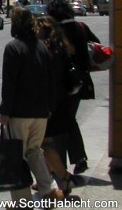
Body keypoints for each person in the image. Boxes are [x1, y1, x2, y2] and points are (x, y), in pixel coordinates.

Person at [0, 7, 64, 210]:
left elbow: (10, 84)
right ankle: (48, 189)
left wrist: (5, 111)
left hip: (19, 112)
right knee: (35, 151)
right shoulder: (42, 48)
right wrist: (49, 107)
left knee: (16, 155)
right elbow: (50, 80)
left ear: (15, 24)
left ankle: (22, 201)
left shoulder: (13, 48)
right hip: (41, 112)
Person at [35, 15, 85, 195]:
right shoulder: (62, 47)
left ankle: (62, 178)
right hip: (63, 100)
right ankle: (50, 176)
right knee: (48, 142)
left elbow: (46, 80)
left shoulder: (46, 51)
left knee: (45, 143)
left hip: (51, 103)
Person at [46, 0, 96, 175]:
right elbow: (95, 47)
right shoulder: (81, 27)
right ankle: (79, 159)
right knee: (69, 119)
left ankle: (59, 168)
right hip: (80, 81)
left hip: (61, 83)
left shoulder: (54, 30)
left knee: (57, 124)